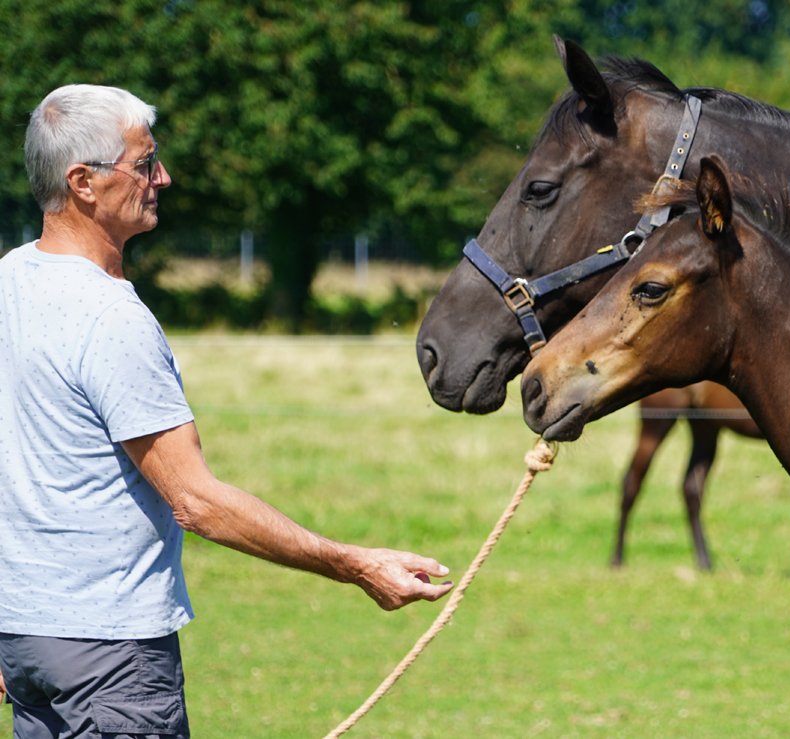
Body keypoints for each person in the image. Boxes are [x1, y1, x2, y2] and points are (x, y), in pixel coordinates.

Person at [0, 84, 454, 738]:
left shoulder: (12, 279)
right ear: (83, 183)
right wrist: (354, 564)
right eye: (144, 163)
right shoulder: (110, 317)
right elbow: (196, 501)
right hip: (109, 657)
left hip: (28, 644)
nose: (163, 177)